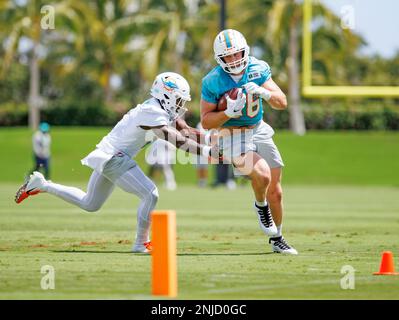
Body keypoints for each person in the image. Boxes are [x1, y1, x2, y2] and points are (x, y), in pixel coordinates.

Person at [15, 72, 217, 253]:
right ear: (167, 95)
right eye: (179, 100)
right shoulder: (153, 111)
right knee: (150, 194)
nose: (181, 105)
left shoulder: (156, 108)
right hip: (115, 157)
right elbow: (175, 139)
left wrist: (212, 139)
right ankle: (141, 243)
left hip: (109, 154)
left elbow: (185, 130)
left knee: (90, 203)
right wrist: (207, 151)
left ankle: (43, 185)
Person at [200, 29, 297, 254]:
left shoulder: (258, 68)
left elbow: (282, 102)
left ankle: (278, 238)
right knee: (261, 174)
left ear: (245, 51)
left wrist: (264, 92)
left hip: (258, 129)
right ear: (219, 58)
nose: (234, 60)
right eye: (228, 56)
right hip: (231, 135)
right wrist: (228, 114)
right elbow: (206, 122)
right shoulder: (212, 81)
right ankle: (260, 206)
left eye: (237, 54)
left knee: (276, 190)